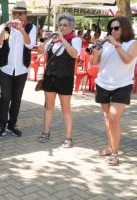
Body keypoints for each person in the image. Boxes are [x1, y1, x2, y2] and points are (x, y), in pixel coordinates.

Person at [91, 16, 137, 166]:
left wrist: (116, 44)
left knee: (113, 119)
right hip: (103, 84)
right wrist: (95, 50)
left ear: (125, 28)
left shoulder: (133, 43)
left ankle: (115, 153)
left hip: (122, 85)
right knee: (107, 119)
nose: (112, 30)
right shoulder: (106, 44)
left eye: (116, 28)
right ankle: (110, 147)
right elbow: (94, 63)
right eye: (111, 28)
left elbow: (128, 59)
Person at [0, 1, 37, 139]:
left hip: (22, 69)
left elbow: (30, 45)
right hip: (6, 68)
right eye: (15, 13)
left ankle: (12, 124)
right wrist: (4, 29)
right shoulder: (5, 27)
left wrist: (21, 30)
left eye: (20, 13)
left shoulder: (31, 27)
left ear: (25, 15)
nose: (17, 15)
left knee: (16, 99)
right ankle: (1, 126)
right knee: (5, 98)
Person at [37, 14, 81, 148]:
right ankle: (46, 132)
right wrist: (47, 39)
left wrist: (62, 39)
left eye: (65, 25)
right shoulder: (53, 40)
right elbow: (40, 51)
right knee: (49, 106)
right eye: (60, 25)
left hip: (65, 77)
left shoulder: (75, 39)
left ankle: (68, 137)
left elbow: (75, 54)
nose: (61, 27)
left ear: (72, 27)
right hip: (50, 76)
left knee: (65, 108)